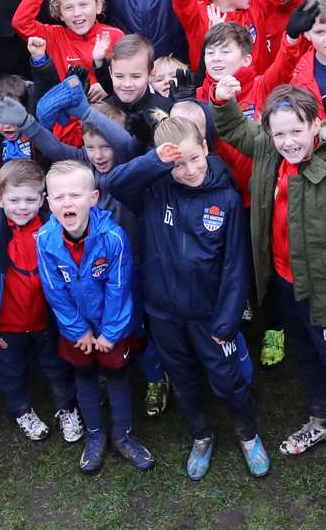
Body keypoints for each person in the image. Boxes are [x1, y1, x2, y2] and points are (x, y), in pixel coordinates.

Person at [212, 81, 326, 507]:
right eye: (279, 132)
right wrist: (221, 97)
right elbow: (234, 126)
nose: (288, 141)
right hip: (285, 286)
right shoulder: (269, 152)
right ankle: (320, 420)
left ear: (315, 127)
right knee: (305, 358)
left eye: (297, 130)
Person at [99, 116, 269, 480]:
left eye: (194, 158)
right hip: (163, 314)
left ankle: (248, 434)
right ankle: (201, 436)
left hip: (210, 316)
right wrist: (154, 161)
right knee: (184, 379)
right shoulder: (155, 189)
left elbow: (236, 267)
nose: (189, 170)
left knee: (227, 380)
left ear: (206, 147)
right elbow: (111, 183)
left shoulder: (226, 197)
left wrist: (226, 322)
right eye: (178, 164)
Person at [0, 154, 84, 445]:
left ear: (42, 200)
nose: (21, 208)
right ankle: (21, 410)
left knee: (56, 365)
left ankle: (67, 408)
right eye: (14, 201)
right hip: (9, 324)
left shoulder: (51, 227)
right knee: (12, 371)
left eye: (29, 200)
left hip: (46, 320)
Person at [35, 160, 154, 473]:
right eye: (58, 197)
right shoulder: (45, 240)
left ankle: (123, 435)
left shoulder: (113, 237)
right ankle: (95, 434)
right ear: (48, 202)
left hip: (112, 326)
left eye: (75, 195)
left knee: (117, 377)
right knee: (84, 377)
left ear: (93, 198)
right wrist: (78, 332)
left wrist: (111, 333)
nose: (67, 203)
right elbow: (54, 291)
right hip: (76, 329)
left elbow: (119, 287)